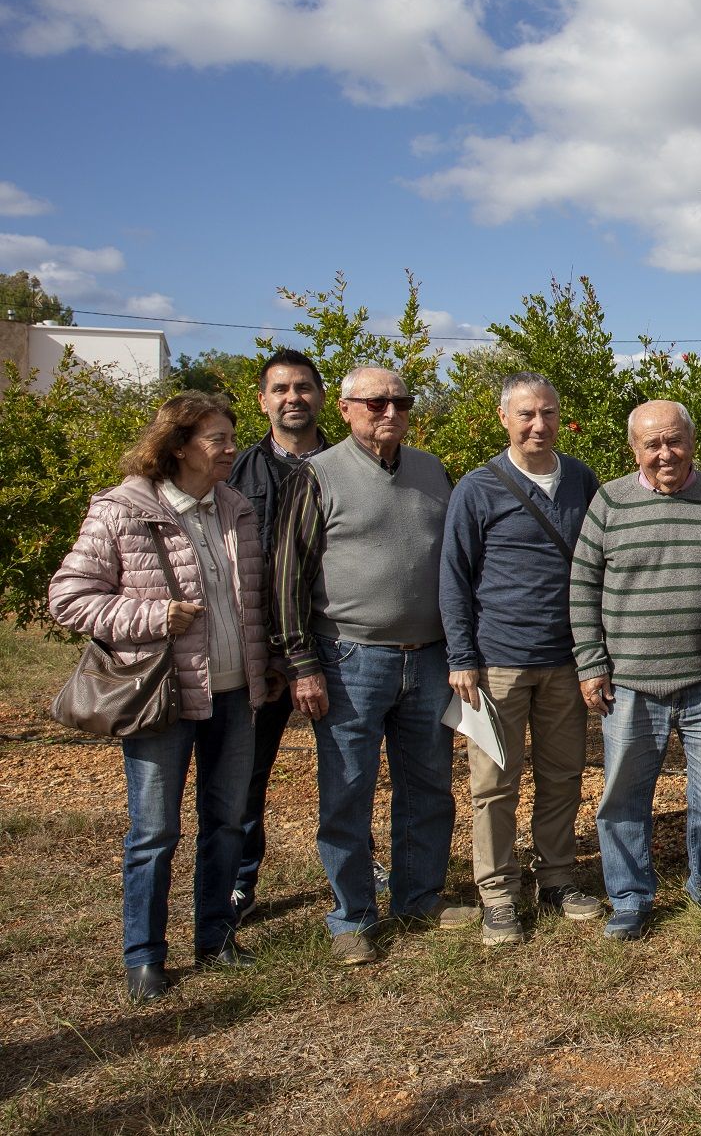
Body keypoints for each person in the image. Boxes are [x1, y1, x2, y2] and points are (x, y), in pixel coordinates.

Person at [49, 393, 271, 1003]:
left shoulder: (235, 508)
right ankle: (143, 955)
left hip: (232, 692)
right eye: (218, 440)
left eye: (231, 438)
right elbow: (68, 597)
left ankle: (215, 935)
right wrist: (152, 614)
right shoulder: (123, 511)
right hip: (164, 696)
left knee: (226, 822)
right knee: (154, 831)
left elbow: (252, 600)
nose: (231, 450)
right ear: (178, 447)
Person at [270, 366, 466, 966]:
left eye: (401, 402)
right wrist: (301, 662)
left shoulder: (433, 472)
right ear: (348, 409)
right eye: (377, 402)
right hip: (350, 657)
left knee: (428, 785)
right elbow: (288, 575)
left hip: (428, 657)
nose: (390, 412)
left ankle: (418, 896)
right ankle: (352, 915)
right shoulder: (317, 475)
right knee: (348, 789)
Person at [572, 401, 701, 937]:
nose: (665, 453)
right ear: (634, 449)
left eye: (674, 441)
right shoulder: (609, 502)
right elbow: (582, 587)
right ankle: (630, 897)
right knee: (624, 795)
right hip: (629, 681)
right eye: (652, 444)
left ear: (692, 443)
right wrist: (591, 663)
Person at [440, 373, 604, 946]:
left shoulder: (582, 479)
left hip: (566, 660)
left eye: (549, 414)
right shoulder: (478, 487)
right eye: (527, 415)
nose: (539, 426)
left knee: (562, 777)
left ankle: (557, 878)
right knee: (493, 784)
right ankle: (498, 894)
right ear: (504, 419)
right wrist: (461, 656)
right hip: (497, 663)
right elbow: (454, 578)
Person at [226, 348, 332, 925]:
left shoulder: (347, 466)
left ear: (320, 396)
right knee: (248, 771)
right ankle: (240, 882)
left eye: (303, 387)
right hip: (260, 653)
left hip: (335, 647)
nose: (293, 398)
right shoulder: (237, 475)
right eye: (281, 389)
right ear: (263, 400)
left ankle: (354, 865)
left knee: (347, 767)